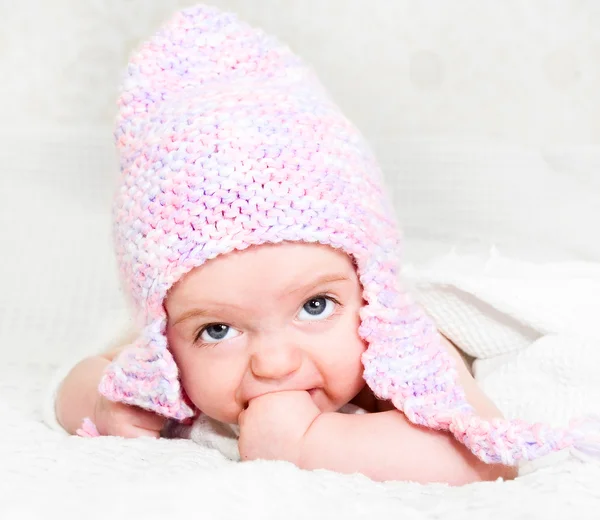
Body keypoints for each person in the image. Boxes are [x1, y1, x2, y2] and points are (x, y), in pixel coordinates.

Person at [46, 4, 597, 485]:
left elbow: (482, 457)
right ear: (163, 338)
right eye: (217, 330)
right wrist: (101, 401)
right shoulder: (163, 368)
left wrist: (308, 444)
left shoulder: (400, 349)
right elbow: (75, 382)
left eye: (315, 306)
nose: (275, 362)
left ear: (368, 290)